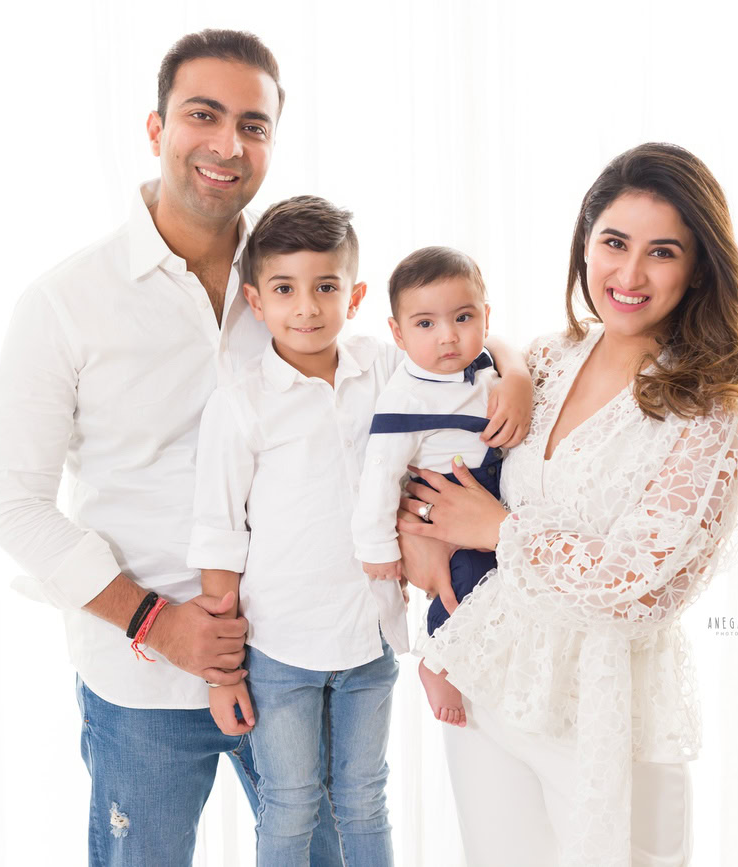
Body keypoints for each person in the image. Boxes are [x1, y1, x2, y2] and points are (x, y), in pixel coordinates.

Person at [0, 30, 344, 866]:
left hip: (296, 660)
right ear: (156, 128)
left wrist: (501, 363)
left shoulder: (299, 286)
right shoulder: (66, 301)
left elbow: (406, 358)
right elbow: (14, 505)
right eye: (203, 115)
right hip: (139, 682)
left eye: (253, 125)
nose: (227, 145)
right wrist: (157, 623)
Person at [397, 142, 738, 866]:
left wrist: (499, 528)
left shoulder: (710, 415)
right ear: (585, 243)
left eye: (662, 252)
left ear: (698, 269)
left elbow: (637, 586)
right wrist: (506, 370)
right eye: (613, 242)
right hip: (487, 678)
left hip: (608, 708)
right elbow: (439, 444)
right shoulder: (549, 358)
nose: (629, 274)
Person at [187, 196, 532, 864]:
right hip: (280, 642)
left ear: (356, 296)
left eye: (326, 287)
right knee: (289, 806)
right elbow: (219, 535)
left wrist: (513, 373)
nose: (307, 308)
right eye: (285, 290)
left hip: (371, 636)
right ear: (256, 302)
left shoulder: (384, 364)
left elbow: (471, 339)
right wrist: (222, 673)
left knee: (365, 797)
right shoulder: (241, 402)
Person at [351, 246, 519, 728]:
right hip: (446, 497)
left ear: (485, 317)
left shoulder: (486, 366)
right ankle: (438, 660)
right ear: (397, 334)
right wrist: (378, 547)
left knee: (504, 584)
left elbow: (510, 360)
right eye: (425, 324)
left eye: (463, 317)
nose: (448, 337)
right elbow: (380, 477)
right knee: (465, 583)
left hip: (492, 494)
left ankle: (481, 658)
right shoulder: (405, 397)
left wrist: (519, 378)